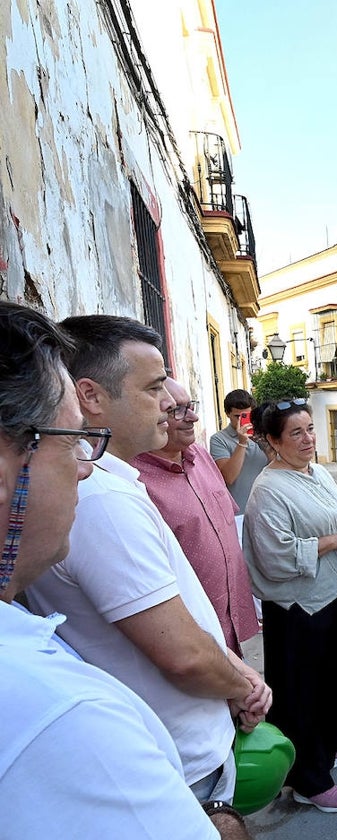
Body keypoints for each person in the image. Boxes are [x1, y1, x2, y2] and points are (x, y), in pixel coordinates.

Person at [0, 302, 248, 839]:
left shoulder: (117, 484)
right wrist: (243, 686)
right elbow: (181, 654)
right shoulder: (103, 500)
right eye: (67, 444)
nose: (169, 404)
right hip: (185, 771)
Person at [243, 397, 337, 814]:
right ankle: (307, 779)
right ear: (272, 440)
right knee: (302, 692)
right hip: (299, 608)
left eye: (310, 429)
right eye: (295, 433)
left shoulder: (317, 471)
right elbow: (275, 556)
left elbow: (334, 515)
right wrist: (336, 541)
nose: (307, 439)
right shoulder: (266, 491)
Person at [134, 378, 259, 656]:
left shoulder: (200, 456)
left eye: (190, 406)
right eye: (177, 410)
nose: (193, 417)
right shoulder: (134, 480)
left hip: (229, 623)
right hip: (191, 640)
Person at [210, 389, 269, 536]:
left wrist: (266, 445)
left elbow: (279, 466)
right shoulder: (219, 439)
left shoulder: (264, 435)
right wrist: (242, 443)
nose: (241, 421)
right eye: (237, 416)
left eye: (246, 416)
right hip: (239, 514)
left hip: (267, 509)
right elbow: (229, 477)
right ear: (228, 413)